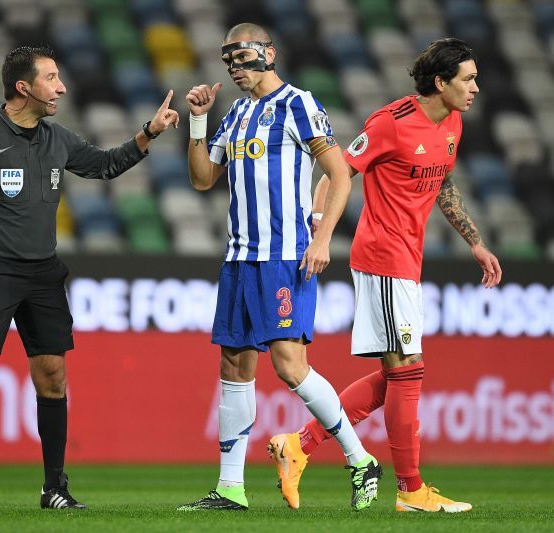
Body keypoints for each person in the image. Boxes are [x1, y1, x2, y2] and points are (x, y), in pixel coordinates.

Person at [0, 45, 179, 510]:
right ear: (23, 87)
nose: (62, 87)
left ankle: (55, 488)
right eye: (52, 78)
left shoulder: (57, 138)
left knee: (53, 377)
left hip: (43, 273)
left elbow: (105, 164)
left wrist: (149, 131)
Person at [283, 37, 502, 513]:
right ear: (441, 82)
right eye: (468, 79)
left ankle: (299, 445)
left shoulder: (452, 123)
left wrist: (475, 242)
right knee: (408, 372)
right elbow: (335, 171)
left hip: (409, 260)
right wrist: (318, 228)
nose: (476, 88)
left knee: (400, 374)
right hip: (383, 257)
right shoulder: (390, 124)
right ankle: (410, 489)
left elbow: (442, 181)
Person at [176, 23, 381, 512]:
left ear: (268, 54)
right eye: (229, 62)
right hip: (240, 257)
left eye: (243, 59)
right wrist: (200, 122)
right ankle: (230, 488)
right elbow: (204, 178)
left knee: (290, 366)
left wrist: (324, 237)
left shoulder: (299, 104)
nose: (236, 69)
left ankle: (359, 459)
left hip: (285, 255)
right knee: (234, 364)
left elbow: (338, 175)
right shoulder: (237, 115)